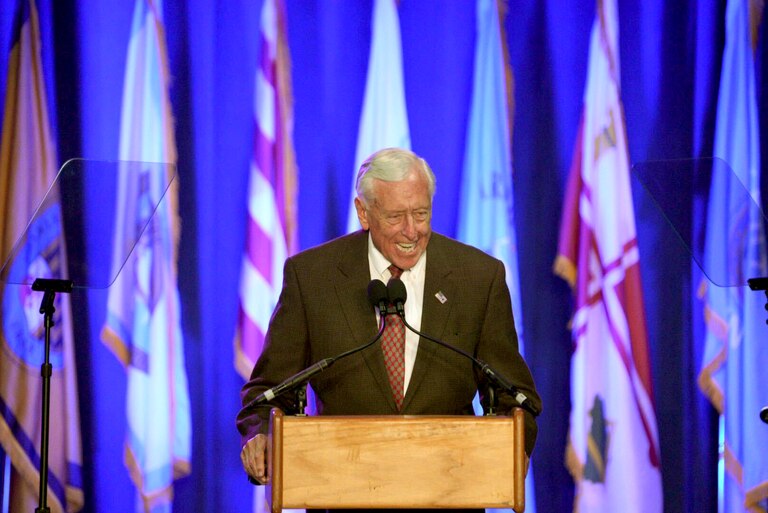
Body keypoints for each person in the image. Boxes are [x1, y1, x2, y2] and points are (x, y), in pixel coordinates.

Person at [237, 147, 541, 503]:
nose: (411, 231)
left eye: (421, 213)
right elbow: (270, 390)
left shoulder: (478, 278)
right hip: (343, 494)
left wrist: (514, 441)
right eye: (396, 216)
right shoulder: (312, 278)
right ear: (363, 213)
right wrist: (260, 435)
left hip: (449, 495)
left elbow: (514, 394)